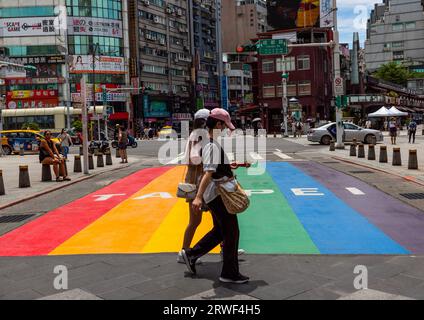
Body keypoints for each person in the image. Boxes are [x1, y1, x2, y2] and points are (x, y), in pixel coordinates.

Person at [181, 108, 249, 284]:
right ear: (217, 124)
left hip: (215, 193)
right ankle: (229, 273)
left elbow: (214, 168)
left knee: (221, 230)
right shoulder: (210, 144)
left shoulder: (211, 143)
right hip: (217, 194)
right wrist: (198, 196)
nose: (227, 130)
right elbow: (208, 172)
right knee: (232, 232)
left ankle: (191, 254)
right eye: (225, 126)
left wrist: (231, 165)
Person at [177, 109, 210, 264]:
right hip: (199, 181)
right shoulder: (199, 135)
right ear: (204, 121)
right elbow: (194, 159)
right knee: (195, 220)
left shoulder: (196, 134)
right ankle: (184, 251)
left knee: (217, 218)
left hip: (197, 179)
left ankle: (227, 246)